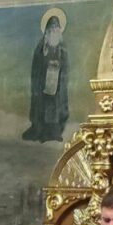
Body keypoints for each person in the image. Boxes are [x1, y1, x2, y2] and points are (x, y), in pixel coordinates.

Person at [22, 11, 69, 143]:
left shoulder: (62, 48)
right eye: (51, 29)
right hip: (43, 83)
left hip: (57, 84)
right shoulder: (41, 46)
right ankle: (39, 129)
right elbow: (37, 65)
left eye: (56, 28)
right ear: (47, 31)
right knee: (41, 105)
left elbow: (65, 66)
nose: (53, 31)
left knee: (55, 106)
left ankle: (53, 132)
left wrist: (58, 67)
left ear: (59, 30)